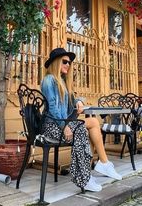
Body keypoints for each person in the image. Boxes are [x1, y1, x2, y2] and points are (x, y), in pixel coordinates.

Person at [41, 47, 122, 192]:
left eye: (69, 63)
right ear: (56, 62)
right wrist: (64, 127)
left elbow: (72, 99)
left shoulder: (62, 82)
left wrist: (78, 101)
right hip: (53, 127)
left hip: (62, 123)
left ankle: (103, 163)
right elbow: (53, 109)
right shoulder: (49, 81)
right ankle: (85, 176)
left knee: (94, 122)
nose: (68, 65)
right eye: (65, 61)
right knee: (82, 129)